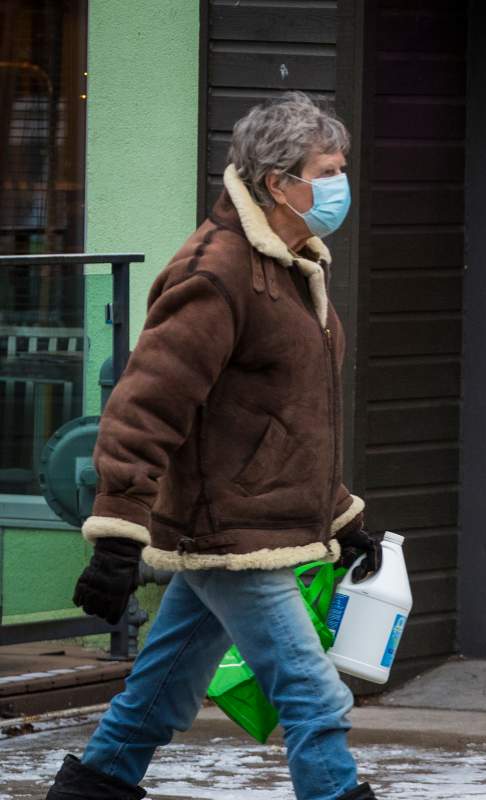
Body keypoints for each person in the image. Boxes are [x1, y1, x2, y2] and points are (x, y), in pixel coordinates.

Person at [45, 92, 382, 800]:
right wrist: (118, 535)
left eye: (341, 167)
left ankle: (89, 792)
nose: (340, 183)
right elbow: (146, 404)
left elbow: (287, 417)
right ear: (278, 183)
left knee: (160, 690)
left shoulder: (291, 265)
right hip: (230, 533)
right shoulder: (216, 271)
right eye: (327, 170)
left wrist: (341, 515)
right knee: (314, 697)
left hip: (247, 523)